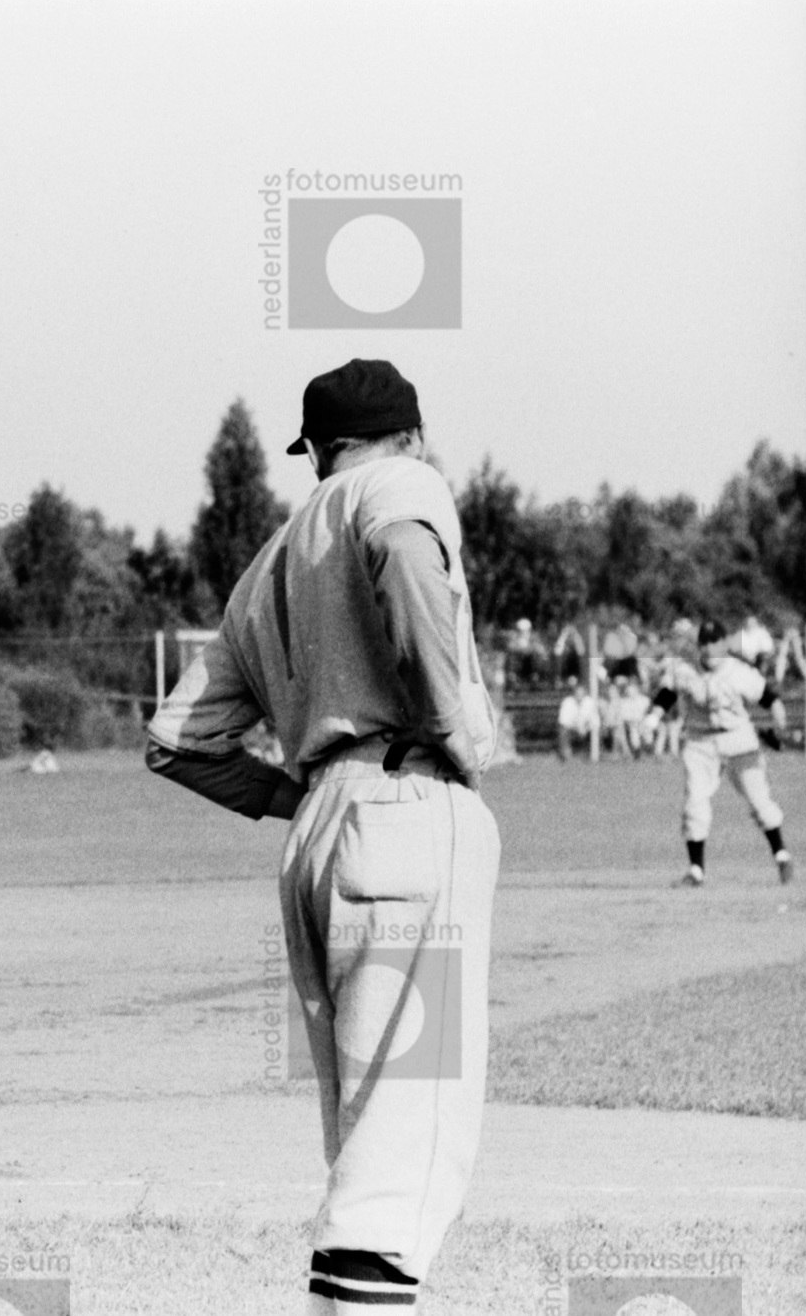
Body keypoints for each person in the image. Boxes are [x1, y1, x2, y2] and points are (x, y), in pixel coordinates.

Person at [147, 359, 499, 1315]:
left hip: (322, 834)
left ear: (317, 450)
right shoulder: (402, 483)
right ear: (412, 435)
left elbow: (174, 741)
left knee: (368, 1139)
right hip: (407, 810)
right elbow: (406, 555)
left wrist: (299, 799)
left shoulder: (273, 559)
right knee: (404, 1146)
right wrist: (453, 730)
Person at [645, 620, 793, 887]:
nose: (708, 648)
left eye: (714, 642)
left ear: (724, 643)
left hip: (738, 739)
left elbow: (770, 699)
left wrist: (779, 724)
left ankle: (781, 855)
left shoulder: (739, 672)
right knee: (695, 802)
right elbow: (667, 693)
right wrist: (653, 717)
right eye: (704, 642)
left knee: (760, 802)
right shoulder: (685, 669)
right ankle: (696, 871)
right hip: (700, 742)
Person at [555, 676, 600, 762]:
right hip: (572, 729)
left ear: (585, 694)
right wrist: (577, 727)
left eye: (582, 694)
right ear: (574, 694)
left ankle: (596, 754)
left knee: (597, 730)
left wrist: (585, 728)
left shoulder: (590, 702)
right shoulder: (567, 702)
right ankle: (567, 755)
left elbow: (595, 721)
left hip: (587, 729)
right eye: (578, 694)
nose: (580, 696)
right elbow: (563, 721)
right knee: (563, 731)